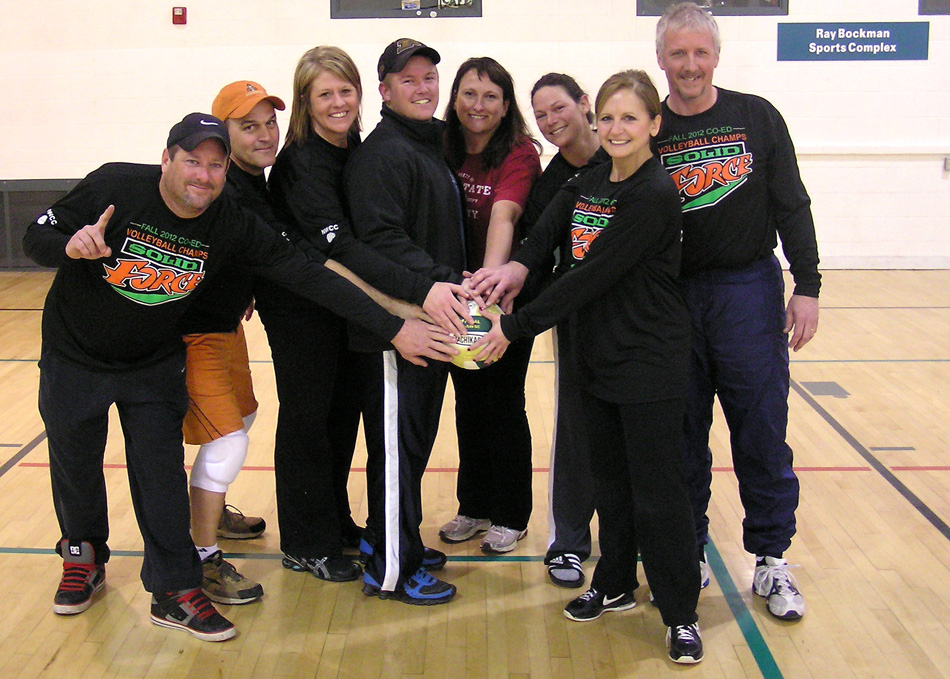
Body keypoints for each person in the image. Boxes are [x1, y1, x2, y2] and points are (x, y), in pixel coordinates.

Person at [25, 112, 455, 641]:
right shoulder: (116, 184)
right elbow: (36, 235)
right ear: (166, 159)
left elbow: (307, 274)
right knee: (74, 465)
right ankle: (82, 554)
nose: (202, 176)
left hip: (152, 363)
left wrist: (391, 327)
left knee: (160, 478)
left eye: (215, 165)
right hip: (74, 355)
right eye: (191, 162)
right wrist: (67, 246)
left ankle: (174, 590)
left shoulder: (229, 219)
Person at [469, 70, 704, 664]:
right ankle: (616, 583)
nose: (616, 128)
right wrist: (514, 270)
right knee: (611, 485)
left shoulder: (654, 194)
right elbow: (543, 233)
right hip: (595, 360)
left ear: (654, 124)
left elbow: (589, 275)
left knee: (658, 494)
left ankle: (679, 613)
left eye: (630, 117)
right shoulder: (588, 182)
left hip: (649, 361)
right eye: (609, 117)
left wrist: (512, 328)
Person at [262, 46, 469, 583]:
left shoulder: (353, 146)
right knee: (310, 423)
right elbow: (343, 252)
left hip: (348, 307)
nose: (337, 102)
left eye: (343, 91)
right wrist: (417, 301)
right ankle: (308, 542)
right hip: (302, 312)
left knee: (344, 424)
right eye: (324, 94)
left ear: (361, 94)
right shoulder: (303, 163)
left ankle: (343, 526)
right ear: (306, 103)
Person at [654, 2, 820, 621]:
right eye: (678, 53)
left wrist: (808, 283)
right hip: (671, 299)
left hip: (747, 291)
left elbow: (792, 203)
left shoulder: (756, 116)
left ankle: (772, 560)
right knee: (681, 433)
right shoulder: (649, 126)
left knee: (760, 428)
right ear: (662, 60)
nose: (690, 65)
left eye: (700, 52)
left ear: (716, 56)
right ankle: (689, 550)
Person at [343, 38, 468, 605]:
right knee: (398, 451)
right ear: (385, 90)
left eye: (428, 78)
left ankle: (395, 542)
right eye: (408, 80)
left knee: (409, 448)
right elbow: (381, 242)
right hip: (396, 333)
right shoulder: (384, 154)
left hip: (429, 320)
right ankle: (393, 570)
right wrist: (440, 281)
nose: (423, 88)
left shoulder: (425, 145)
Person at [175, 80, 286, 608]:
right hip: (192, 332)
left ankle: (211, 515)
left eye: (269, 122)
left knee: (239, 423)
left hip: (225, 327)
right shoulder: (228, 191)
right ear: (224, 137)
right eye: (249, 126)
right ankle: (201, 557)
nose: (265, 135)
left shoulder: (253, 180)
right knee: (226, 442)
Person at [438, 57, 540, 554]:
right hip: (455, 297)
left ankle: (511, 513)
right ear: (454, 99)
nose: (478, 106)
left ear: (505, 106)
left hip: (503, 297)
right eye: (469, 94)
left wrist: (488, 284)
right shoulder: (440, 145)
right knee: (468, 403)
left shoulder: (519, 152)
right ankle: (473, 506)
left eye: (491, 97)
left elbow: (505, 214)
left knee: (502, 401)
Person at [523, 73, 609, 587]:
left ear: (584, 104)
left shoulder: (632, 160)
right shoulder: (553, 183)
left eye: (559, 108)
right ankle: (569, 542)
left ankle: (655, 534)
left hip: (642, 320)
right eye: (541, 115)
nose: (552, 121)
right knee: (576, 427)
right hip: (579, 319)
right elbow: (535, 252)